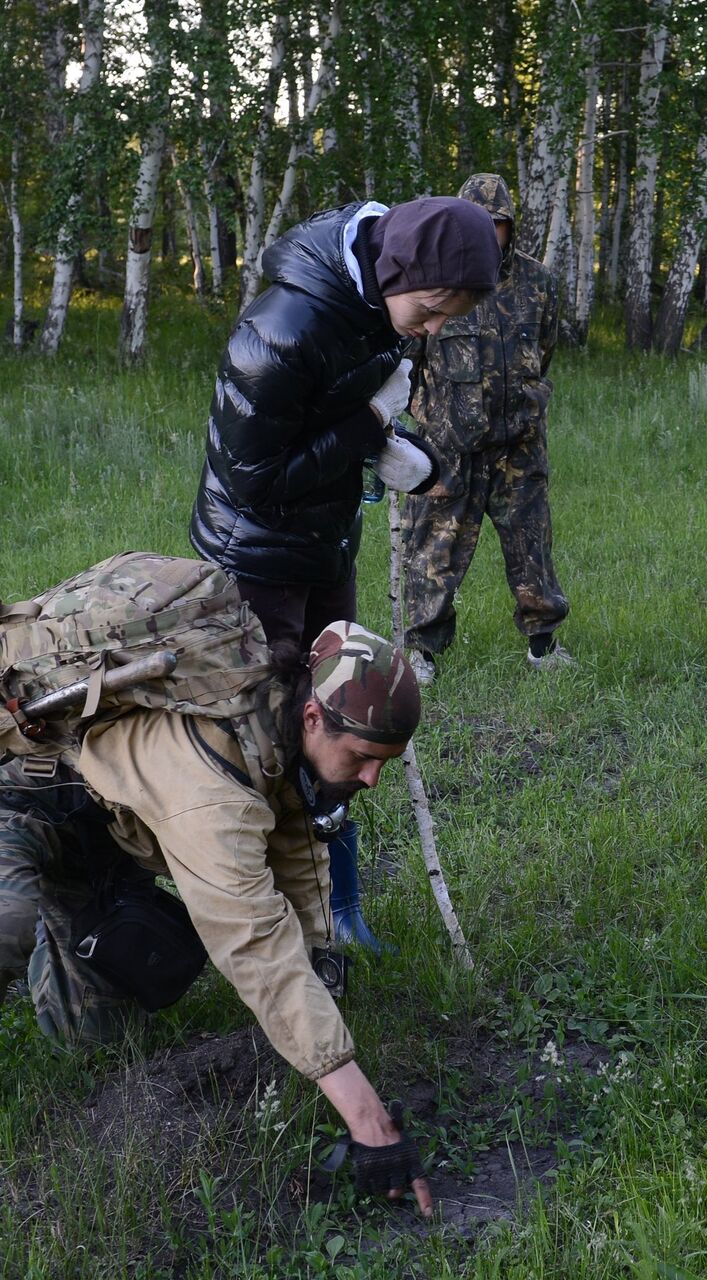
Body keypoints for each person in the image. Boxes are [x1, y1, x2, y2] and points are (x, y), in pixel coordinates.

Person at [0, 617, 435, 1212]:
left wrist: (320, 962)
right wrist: (368, 1119)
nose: (373, 778)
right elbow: (254, 944)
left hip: (104, 826)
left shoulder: (279, 716)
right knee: (8, 921)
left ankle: (58, 926)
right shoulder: (214, 792)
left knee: (95, 1035)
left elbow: (294, 843)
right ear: (315, 718)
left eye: (385, 762)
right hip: (22, 802)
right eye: (362, 757)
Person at [189, 194, 501, 945]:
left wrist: (399, 448)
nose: (431, 329)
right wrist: (366, 428)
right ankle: (264, 923)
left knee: (345, 716)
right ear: (393, 268)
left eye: (446, 318)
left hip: (326, 541)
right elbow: (254, 478)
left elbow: (358, 412)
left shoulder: (382, 310)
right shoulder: (281, 331)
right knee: (263, 735)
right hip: (254, 556)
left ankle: (339, 906)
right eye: (429, 310)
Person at [400, 173, 571, 685]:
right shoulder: (433, 279)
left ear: (510, 226)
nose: (490, 232)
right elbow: (406, 359)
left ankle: (543, 645)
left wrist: (525, 402)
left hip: (517, 444)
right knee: (434, 549)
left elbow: (544, 351)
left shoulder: (539, 283)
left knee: (531, 545)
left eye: (499, 223)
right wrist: (430, 417)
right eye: (481, 223)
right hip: (450, 447)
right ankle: (422, 651)